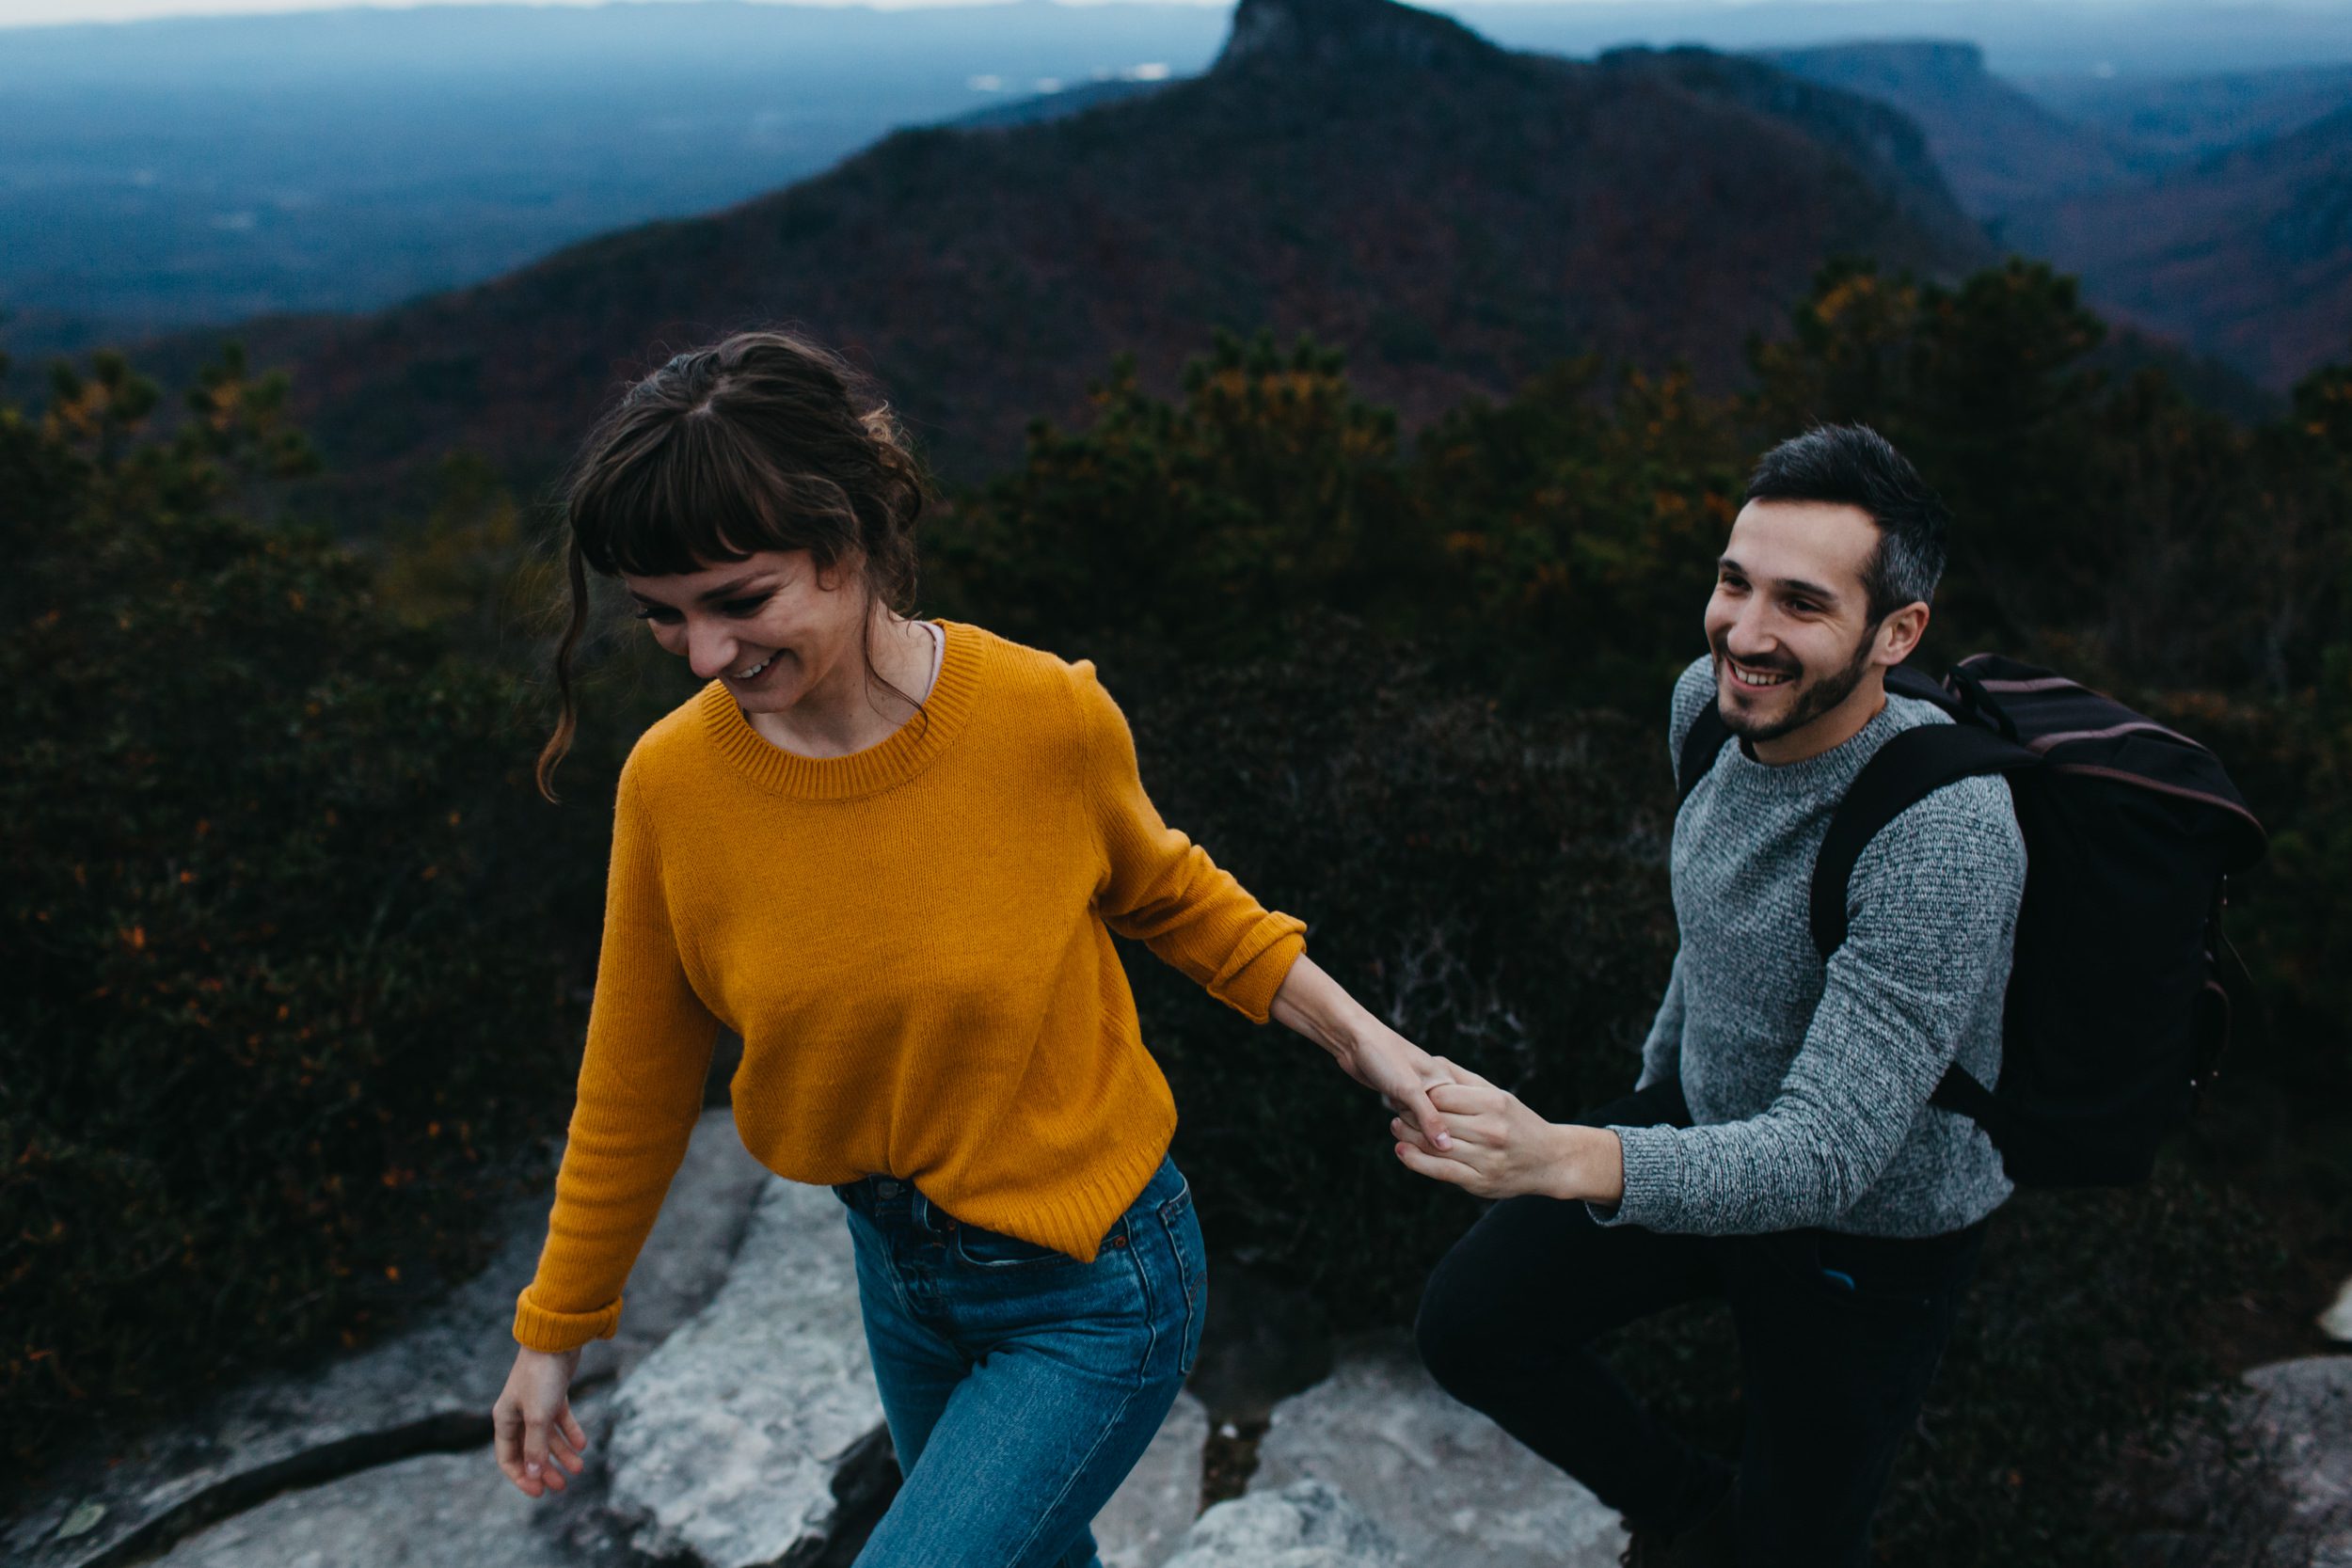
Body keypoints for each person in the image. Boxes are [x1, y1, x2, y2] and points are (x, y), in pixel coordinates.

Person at [485, 328, 1456, 1568]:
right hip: (897, 1265)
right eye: (663, 617)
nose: (705, 655)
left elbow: (1176, 896)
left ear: (846, 542)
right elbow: (632, 1081)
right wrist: (554, 1329)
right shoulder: (672, 784)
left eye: (740, 601)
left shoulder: (1037, 716)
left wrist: (1374, 1043)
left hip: (1095, 1282)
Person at [1402, 424, 2027, 1566]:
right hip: (1704, 1121)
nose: (1745, 632)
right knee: (1473, 1325)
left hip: (1867, 1228)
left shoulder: (1945, 831)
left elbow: (1832, 1150)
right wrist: (1652, 1083)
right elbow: (1714, 924)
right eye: (1733, 581)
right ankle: (1691, 1510)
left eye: (1800, 603)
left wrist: (1570, 1154)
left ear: (1897, 631)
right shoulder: (1708, 703)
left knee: (1796, 1542)